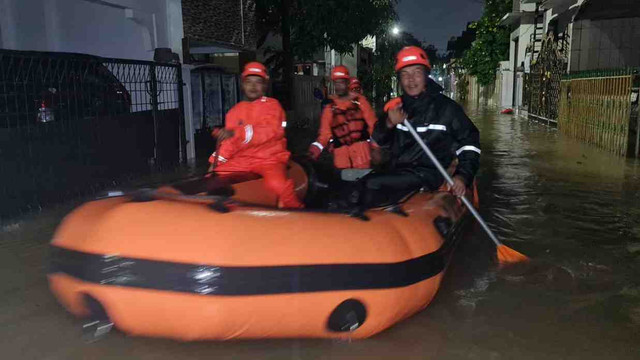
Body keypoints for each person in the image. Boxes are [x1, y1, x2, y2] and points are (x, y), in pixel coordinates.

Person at [362, 46, 481, 206]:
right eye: (405, 74)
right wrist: (389, 123)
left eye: (416, 72)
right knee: (365, 184)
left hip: (430, 175)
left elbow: (470, 144)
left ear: (426, 74)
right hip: (399, 173)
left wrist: (462, 176)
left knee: (371, 184)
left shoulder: (447, 109)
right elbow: (379, 144)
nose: (411, 80)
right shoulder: (397, 108)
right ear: (399, 79)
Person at [208, 61, 304, 209]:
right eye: (248, 82)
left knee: (277, 184)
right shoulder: (234, 111)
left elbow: (267, 132)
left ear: (265, 85)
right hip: (243, 159)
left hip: (269, 159)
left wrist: (235, 132)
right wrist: (215, 163)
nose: (253, 86)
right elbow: (229, 143)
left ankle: (297, 210)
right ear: (242, 84)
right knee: (214, 177)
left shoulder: (273, 106)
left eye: (258, 82)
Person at [308, 66, 378, 169]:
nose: (339, 86)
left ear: (347, 82)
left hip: (362, 158)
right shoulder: (330, 108)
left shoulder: (361, 103)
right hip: (342, 161)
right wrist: (313, 151)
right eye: (336, 83)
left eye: (341, 82)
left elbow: (373, 127)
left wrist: (376, 148)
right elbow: (324, 135)